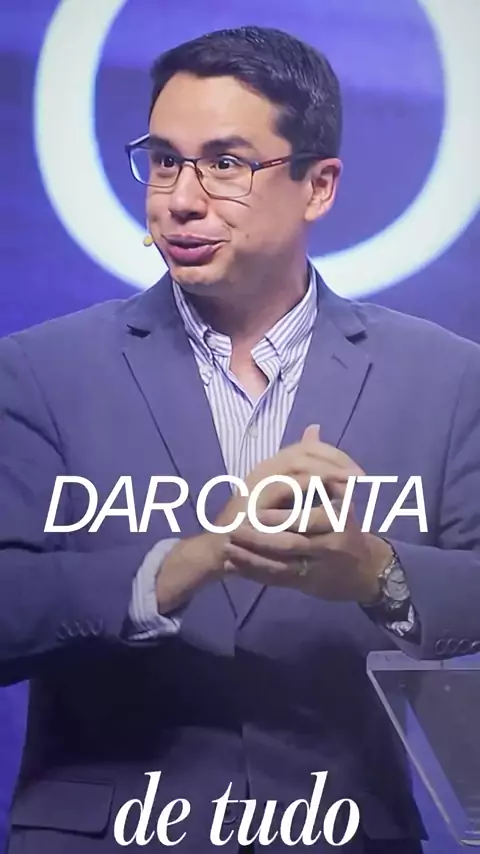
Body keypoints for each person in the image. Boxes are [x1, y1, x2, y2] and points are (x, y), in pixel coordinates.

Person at [1, 24, 480, 854]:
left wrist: (380, 573)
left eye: (225, 164)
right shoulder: (36, 370)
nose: (180, 199)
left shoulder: (447, 377)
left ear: (318, 186)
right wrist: (188, 561)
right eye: (163, 161)